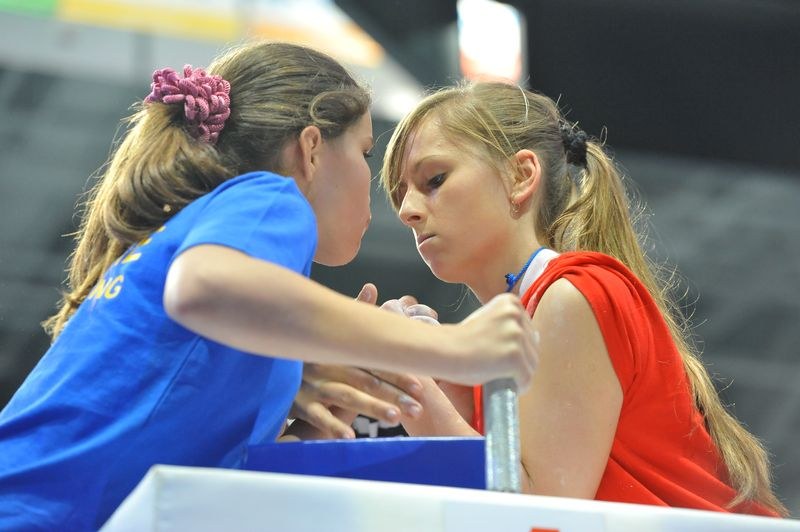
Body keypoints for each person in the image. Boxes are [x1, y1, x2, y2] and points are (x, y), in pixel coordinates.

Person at [0, 43, 538, 530]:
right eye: (365, 153)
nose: (389, 201)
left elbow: (227, 477)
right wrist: (454, 345)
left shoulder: (226, 277)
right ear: (310, 150)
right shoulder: (267, 198)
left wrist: (331, 419)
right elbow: (203, 287)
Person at [377, 80, 787, 516]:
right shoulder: (509, 338)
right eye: (400, 195)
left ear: (520, 176)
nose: (407, 211)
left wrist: (410, 380)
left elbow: (539, 518)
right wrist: (435, 380)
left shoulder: (573, 295)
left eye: (434, 179)